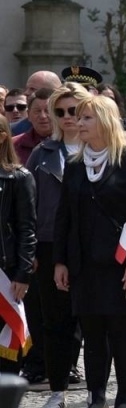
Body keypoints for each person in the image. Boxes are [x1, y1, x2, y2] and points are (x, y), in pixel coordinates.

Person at [54, 94, 126, 408]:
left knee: (118, 331)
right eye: (77, 118)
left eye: (86, 118)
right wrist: (60, 262)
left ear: (105, 121)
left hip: (121, 263)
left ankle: (124, 400)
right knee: (92, 334)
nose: (77, 124)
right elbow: (64, 216)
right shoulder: (76, 164)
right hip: (85, 263)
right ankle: (96, 399)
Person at [27, 84, 90, 408]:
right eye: (61, 111)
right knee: (55, 321)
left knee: (95, 321)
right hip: (51, 245)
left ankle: (98, 392)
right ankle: (58, 389)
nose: (68, 118)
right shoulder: (42, 154)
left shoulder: (103, 151)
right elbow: (31, 206)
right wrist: (31, 250)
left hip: (93, 248)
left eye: (74, 110)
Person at [0, 126, 37, 377]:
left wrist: (23, 273)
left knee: (6, 340)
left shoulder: (19, 177)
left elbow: (27, 228)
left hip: (7, 270)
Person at [13, 87, 53, 166]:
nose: (43, 116)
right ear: (28, 115)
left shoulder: (68, 143)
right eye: (37, 111)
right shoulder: (14, 145)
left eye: (47, 111)